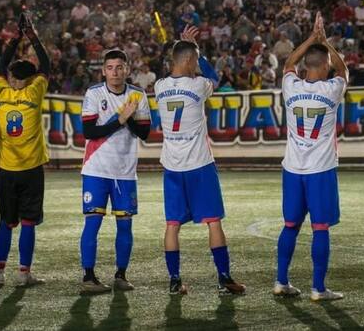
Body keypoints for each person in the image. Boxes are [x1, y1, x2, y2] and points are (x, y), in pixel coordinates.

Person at [153, 25, 245, 296]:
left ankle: (174, 280)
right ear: (189, 61)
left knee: (172, 225)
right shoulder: (198, 84)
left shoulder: (159, 87)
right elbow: (215, 77)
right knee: (213, 221)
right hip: (200, 165)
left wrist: (184, 47)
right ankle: (224, 278)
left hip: (172, 166)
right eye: (194, 60)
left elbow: (174, 66)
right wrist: (198, 52)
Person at [274, 12, 347, 301]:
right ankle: (318, 288)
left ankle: (281, 281)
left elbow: (289, 63)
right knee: (320, 227)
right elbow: (344, 72)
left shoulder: (290, 86)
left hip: (292, 168)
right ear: (326, 65)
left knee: (290, 225)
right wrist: (326, 42)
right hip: (320, 169)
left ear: (306, 66)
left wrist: (311, 39)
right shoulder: (332, 89)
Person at [78, 49, 151, 294]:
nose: (115, 72)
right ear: (104, 71)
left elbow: (144, 134)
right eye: (110, 68)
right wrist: (120, 119)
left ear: (127, 69)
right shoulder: (94, 93)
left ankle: (121, 275)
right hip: (96, 169)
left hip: (125, 171)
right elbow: (89, 132)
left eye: (119, 67)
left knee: (125, 226)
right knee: (93, 223)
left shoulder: (138, 95)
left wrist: (128, 118)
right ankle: (88, 277)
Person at [0, 12, 50, 288]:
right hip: (32, 169)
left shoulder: (1, 92)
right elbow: (45, 65)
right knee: (28, 223)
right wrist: (33, 36)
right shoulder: (34, 92)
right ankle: (24, 274)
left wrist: (15, 38)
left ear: (13, 78)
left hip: (6, 170)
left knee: (6, 222)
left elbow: (1, 65)